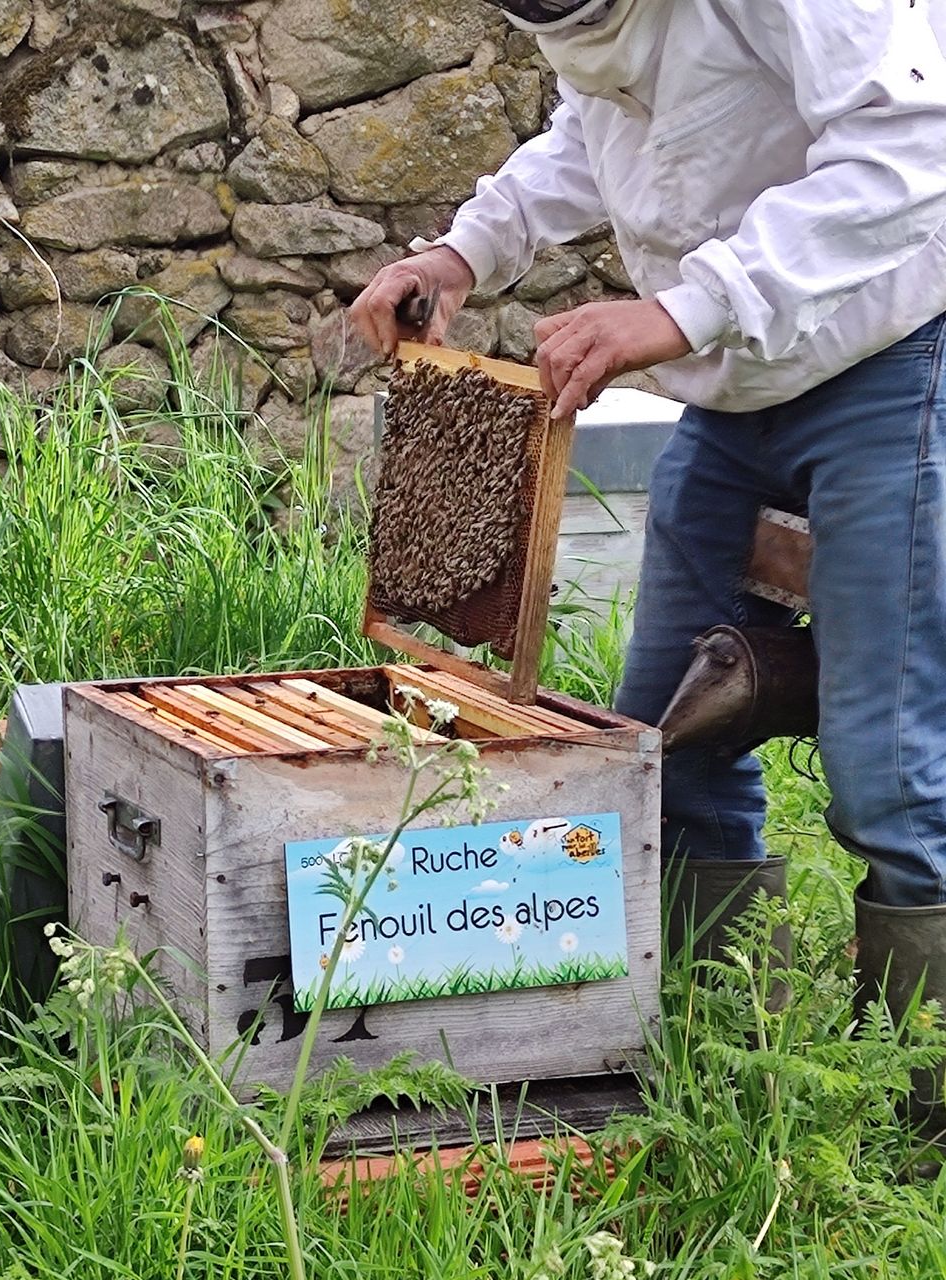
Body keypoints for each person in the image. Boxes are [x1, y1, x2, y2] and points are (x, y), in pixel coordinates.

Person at [351, 0, 946, 1121]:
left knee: (888, 764)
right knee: (665, 734)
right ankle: (727, 1067)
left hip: (887, 359)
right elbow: (599, 129)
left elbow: (914, 144)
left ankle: (922, 1114)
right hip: (730, 394)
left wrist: (681, 306)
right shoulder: (590, 26)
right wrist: (463, 247)